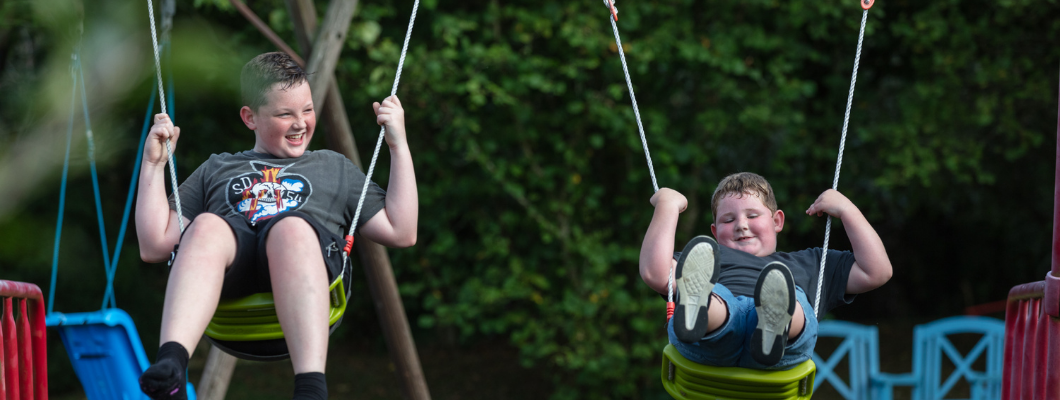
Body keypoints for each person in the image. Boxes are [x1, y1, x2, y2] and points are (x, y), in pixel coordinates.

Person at [134, 52, 418, 400]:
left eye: (308, 110)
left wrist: (398, 144)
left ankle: (311, 389)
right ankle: (171, 369)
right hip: (230, 286)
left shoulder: (333, 167)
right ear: (250, 117)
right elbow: (154, 246)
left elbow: (402, 231)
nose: (300, 123)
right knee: (207, 225)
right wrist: (152, 165)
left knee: (291, 227)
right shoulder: (217, 169)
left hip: (303, 273)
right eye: (285, 114)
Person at [639, 172, 890, 370]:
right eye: (728, 220)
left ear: (777, 221)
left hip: (782, 353)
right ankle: (701, 306)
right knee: (717, 296)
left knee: (788, 292)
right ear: (715, 232)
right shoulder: (704, 259)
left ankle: (775, 317)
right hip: (707, 346)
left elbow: (877, 271)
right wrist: (667, 206)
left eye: (753, 215)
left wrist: (847, 210)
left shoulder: (811, 263)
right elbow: (656, 273)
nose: (741, 226)